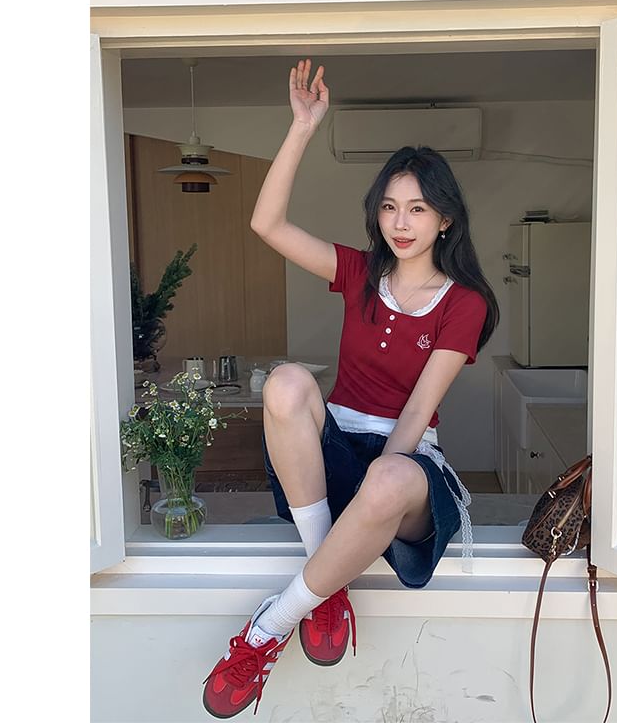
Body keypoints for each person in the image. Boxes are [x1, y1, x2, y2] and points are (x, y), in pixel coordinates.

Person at [203, 58, 499, 719]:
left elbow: (419, 409)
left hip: (406, 460)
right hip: (337, 444)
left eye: (418, 208)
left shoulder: (465, 303)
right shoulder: (361, 272)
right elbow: (268, 225)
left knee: (388, 477)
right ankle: (328, 586)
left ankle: (267, 629)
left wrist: (374, 489)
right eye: (390, 207)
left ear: (445, 220)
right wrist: (303, 127)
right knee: (285, 381)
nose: (401, 222)